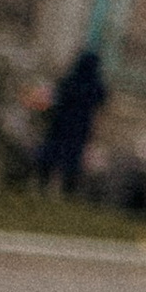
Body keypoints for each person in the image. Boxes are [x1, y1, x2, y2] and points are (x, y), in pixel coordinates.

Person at [33, 45, 105, 194]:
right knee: (72, 158)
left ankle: (43, 185)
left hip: (62, 122)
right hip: (80, 126)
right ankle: (67, 190)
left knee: (53, 153)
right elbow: (100, 106)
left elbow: (57, 98)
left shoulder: (70, 80)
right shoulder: (95, 86)